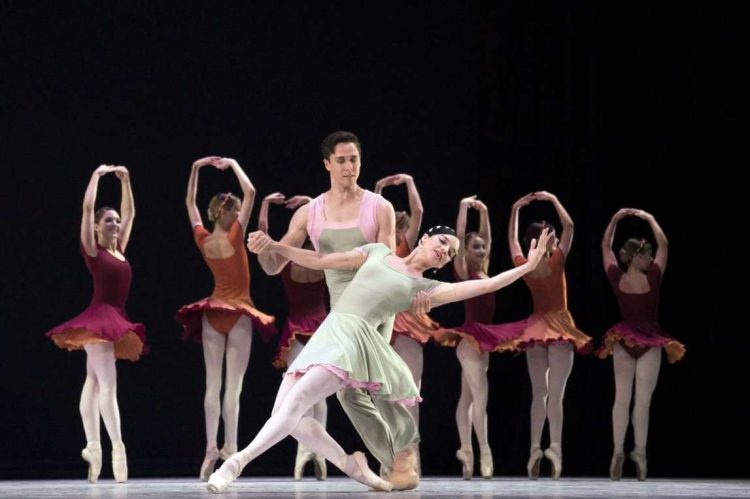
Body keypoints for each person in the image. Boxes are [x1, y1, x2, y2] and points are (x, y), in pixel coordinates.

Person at [205, 225, 553, 494]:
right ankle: (350, 465)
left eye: (451, 253)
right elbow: (324, 262)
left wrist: (527, 268)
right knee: (286, 416)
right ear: (424, 239)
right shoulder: (377, 251)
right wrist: (278, 248)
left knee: (294, 404)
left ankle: (235, 465)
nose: (445, 252)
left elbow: (487, 285)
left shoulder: (425, 288)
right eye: (443, 243)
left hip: (353, 343)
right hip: (330, 329)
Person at [254, 131, 420, 489]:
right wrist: (263, 245)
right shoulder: (310, 211)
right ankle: (395, 460)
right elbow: (273, 265)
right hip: (341, 313)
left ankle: (404, 452)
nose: (349, 167)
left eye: (354, 160)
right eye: (342, 160)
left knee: (373, 381)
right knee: (347, 391)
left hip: (375, 306)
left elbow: (388, 263)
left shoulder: (379, 207)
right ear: (327, 164)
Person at [175, 156, 276, 481]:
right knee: (232, 388)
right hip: (239, 311)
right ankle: (229, 450)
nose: (238, 216)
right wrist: (232, 163)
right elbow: (251, 191)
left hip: (213, 313)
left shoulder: (204, 239)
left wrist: (196, 167)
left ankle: (209, 450)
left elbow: (189, 201)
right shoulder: (234, 234)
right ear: (227, 213)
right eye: (234, 212)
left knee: (212, 385)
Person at [46, 164, 144, 483]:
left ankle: (93, 447)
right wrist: (97, 177)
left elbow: (130, 213)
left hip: (114, 317)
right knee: (108, 384)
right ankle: (117, 448)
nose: (115, 224)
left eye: (116, 220)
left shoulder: (119, 249)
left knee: (93, 381)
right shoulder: (93, 249)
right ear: (98, 228)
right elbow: (88, 207)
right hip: (99, 319)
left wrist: (126, 182)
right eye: (109, 221)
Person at [434, 196, 527, 479]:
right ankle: (484, 452)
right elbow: (460, 238)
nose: (483, 248)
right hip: (468, 340)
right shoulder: (463, 270)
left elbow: (486, 236)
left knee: (467, 400)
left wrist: (485, 211)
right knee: (481, 397)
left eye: (484, 246)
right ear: (466, 251)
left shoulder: (485, 271)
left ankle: (467, 454)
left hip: (485, 340)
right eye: (477, 246)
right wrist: (463, 208)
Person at [508, 191, 592, 480]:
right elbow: (570, 227)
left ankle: (534, 449)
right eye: (551, 236)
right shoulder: (555, 261)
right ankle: (554, 449)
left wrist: (515, 209)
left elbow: (512, 242)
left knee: (538, 395)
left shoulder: (526, 266)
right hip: (558, 327)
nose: (556, 239)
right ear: (546, 240)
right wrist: (555, 199)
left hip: (536, 329)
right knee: (556, 395)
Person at [597, 208, 684, 481]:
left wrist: (615, 219)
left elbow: (605, 246)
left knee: (621, 400)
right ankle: (640, 455)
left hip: (624, 340)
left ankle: (618, 451)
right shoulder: (653, 277)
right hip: (648, 340)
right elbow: (665, 244)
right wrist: (649, 218)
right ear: (637, 256)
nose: (650, 259)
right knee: (641, 403)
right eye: (646, 256)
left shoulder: (616, 276)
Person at [374, 173, 452, 471]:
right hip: (381, 318)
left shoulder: (406, 245)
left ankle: (410, 454)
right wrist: (379, 190)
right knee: (381, 390)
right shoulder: (377, 244)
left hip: (408, 319)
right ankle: (388, 454)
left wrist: (408, 181)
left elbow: (418, 211)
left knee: (408, 390)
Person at [258, 192, 328, 480]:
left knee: (314, 396)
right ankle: (306, 452)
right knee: (303, 395)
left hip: (319, 327)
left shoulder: (321, 253)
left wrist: (266, 207)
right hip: (306, 328)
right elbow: (264, 251)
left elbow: (264, 247)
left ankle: (317, 454)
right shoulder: (311, 254)